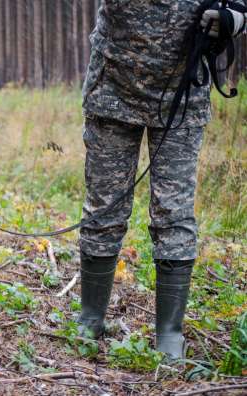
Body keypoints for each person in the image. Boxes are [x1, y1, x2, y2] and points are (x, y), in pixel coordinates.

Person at [78, 1, 246, 359]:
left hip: (182, 95)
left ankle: (169, 334)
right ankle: (90, 319)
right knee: (103, 208)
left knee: (174, 214)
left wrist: (236, 17)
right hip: (113, 87)